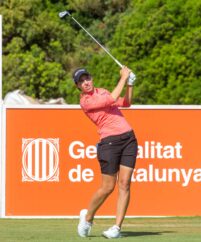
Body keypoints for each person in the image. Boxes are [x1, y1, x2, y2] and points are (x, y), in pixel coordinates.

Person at [73, 66, 138, 239]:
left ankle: (117, 228)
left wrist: (130, 84)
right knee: (108, 187)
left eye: (87, 78)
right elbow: (112, 99)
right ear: (78, 87)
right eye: (81, 81)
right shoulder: (85, 101)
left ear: (91, 78)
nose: (85, 83)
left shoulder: (102, 92)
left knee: (124, 184)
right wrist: (124, 77)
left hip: (129, 139)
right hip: (109, 143)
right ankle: (87, 218)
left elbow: (126, 103)